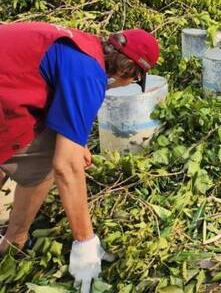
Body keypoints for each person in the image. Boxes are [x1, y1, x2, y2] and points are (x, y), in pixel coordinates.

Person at [0, 22, 159, 291]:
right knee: (45, 163)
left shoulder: (83, 47)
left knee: (37, 144)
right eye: (133, 79)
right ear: (126, 70)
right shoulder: (89, 75)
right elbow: (66, 166)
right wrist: (85, 241)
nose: (126, 85)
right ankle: (15, 240)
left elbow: (52, 91)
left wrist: (75, 142)